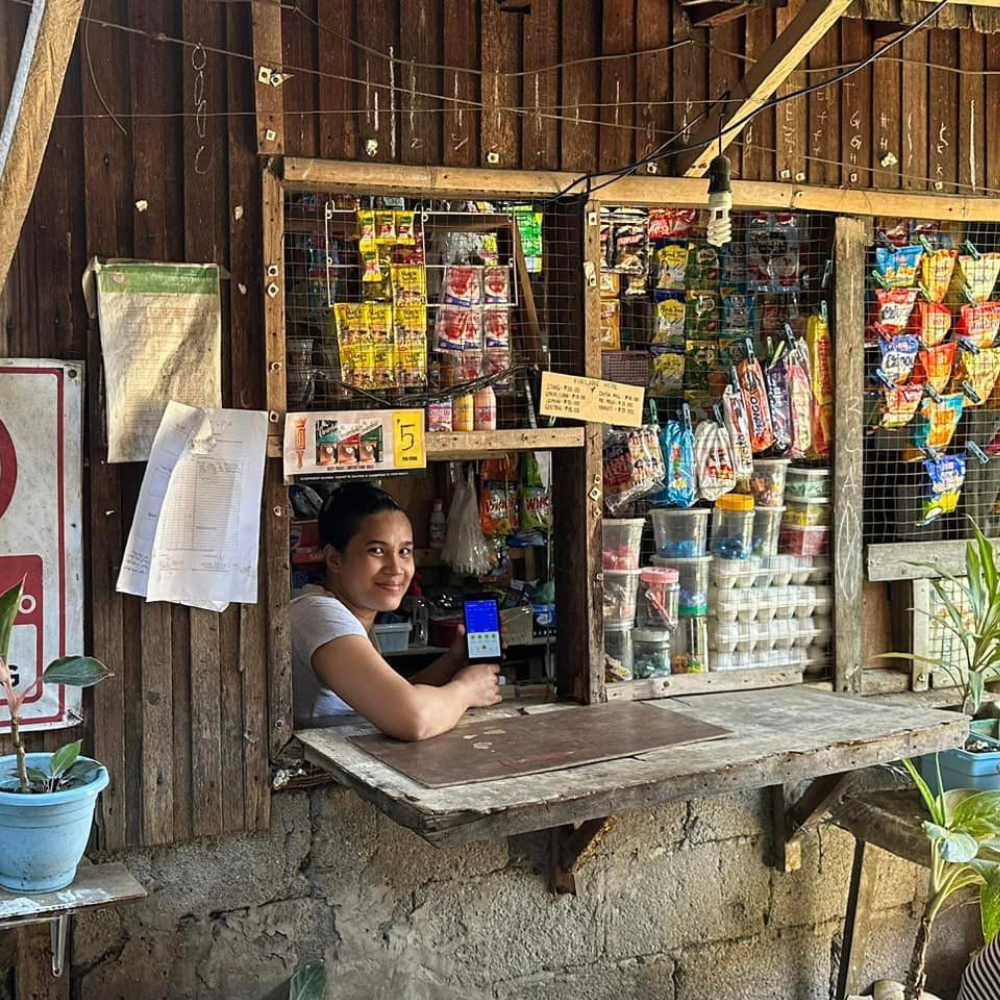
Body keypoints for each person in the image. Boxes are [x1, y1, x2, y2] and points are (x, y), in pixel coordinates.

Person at [291, 482, 502, 740]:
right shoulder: (319, 614)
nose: (396, 567)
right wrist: (467, 690)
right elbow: (412, 718)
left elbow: (393, 697)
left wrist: (454, 658)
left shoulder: (352, 615)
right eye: (377, 550)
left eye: (404, 551)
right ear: (334, 558)